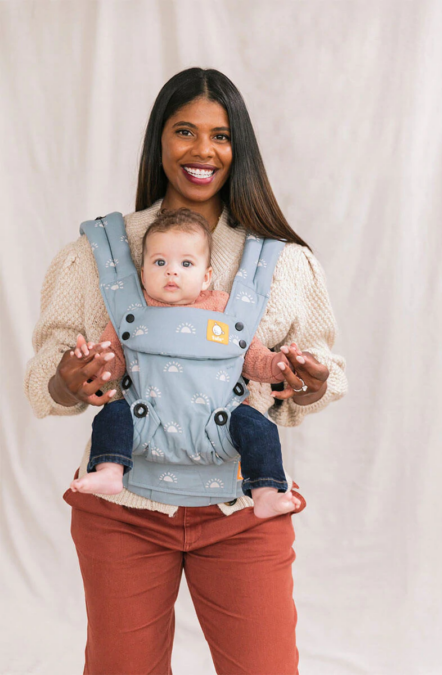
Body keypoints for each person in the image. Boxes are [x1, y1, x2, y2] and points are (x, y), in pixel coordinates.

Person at [25, 67, 347, 674]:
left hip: (245, 512)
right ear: (159, 141)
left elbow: (316, 378)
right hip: (122, 512)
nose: (203, 150)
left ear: (239, 148)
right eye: (184, 131)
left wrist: (308, 380)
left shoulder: (282, 264)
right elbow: (48, 373)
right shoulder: (99, 253)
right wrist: (69, 379)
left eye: (221, 136)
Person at [70, 207, 304, 519]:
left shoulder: (222, 309)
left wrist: (279, 365)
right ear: (142, 273)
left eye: (186, 263)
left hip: (220, 425)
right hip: (146, 421)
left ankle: (265, 491)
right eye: (159, 262)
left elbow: (252, 358)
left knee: (258, 427)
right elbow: (114, 365)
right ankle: (110, 470)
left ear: (206, 277)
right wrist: (96, 362)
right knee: (113, 414)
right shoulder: (132, 309)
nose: (172, 271)